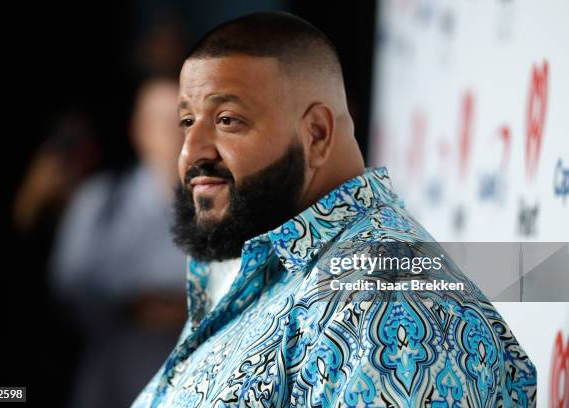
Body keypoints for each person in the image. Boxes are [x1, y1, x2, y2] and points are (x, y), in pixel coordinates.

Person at [133, 12, 536, 407]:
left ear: (317, 134)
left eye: (227, 119)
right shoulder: (270, 270)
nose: (191, 152)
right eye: (187, 121)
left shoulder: (386, 300)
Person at [51, 78, 187, 408]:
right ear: (138, 128)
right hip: (113, 378)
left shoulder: (220, 204)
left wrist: (187, 308)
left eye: (182, 120)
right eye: (160, 120)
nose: (171, 131)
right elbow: (67, 286)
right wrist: (130, 306)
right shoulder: (100, 200)